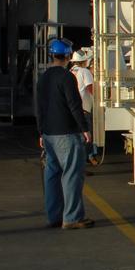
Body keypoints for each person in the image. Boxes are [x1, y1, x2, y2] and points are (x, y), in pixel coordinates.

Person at [37, 38, 94, 229]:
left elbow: (39, 107)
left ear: (52, 55)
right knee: (71, 174)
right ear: (69, 56)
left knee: (52, 174)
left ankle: (53, 216)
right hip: (67, 133)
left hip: (48, 134)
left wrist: (41, 132)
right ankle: (72, 217)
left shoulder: (43, 78)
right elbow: (74, 105)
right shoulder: (67, 77)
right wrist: (84, 128)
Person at [70, 47, 99, 165]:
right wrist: (98, 99)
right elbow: (90, 88)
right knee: (87, 135)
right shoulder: (84, 72)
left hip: (72, 108)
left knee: (76, 136)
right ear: (84, 61)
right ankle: (88, 158)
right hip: (84, 108)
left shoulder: (71, 71)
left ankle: (82, 158)